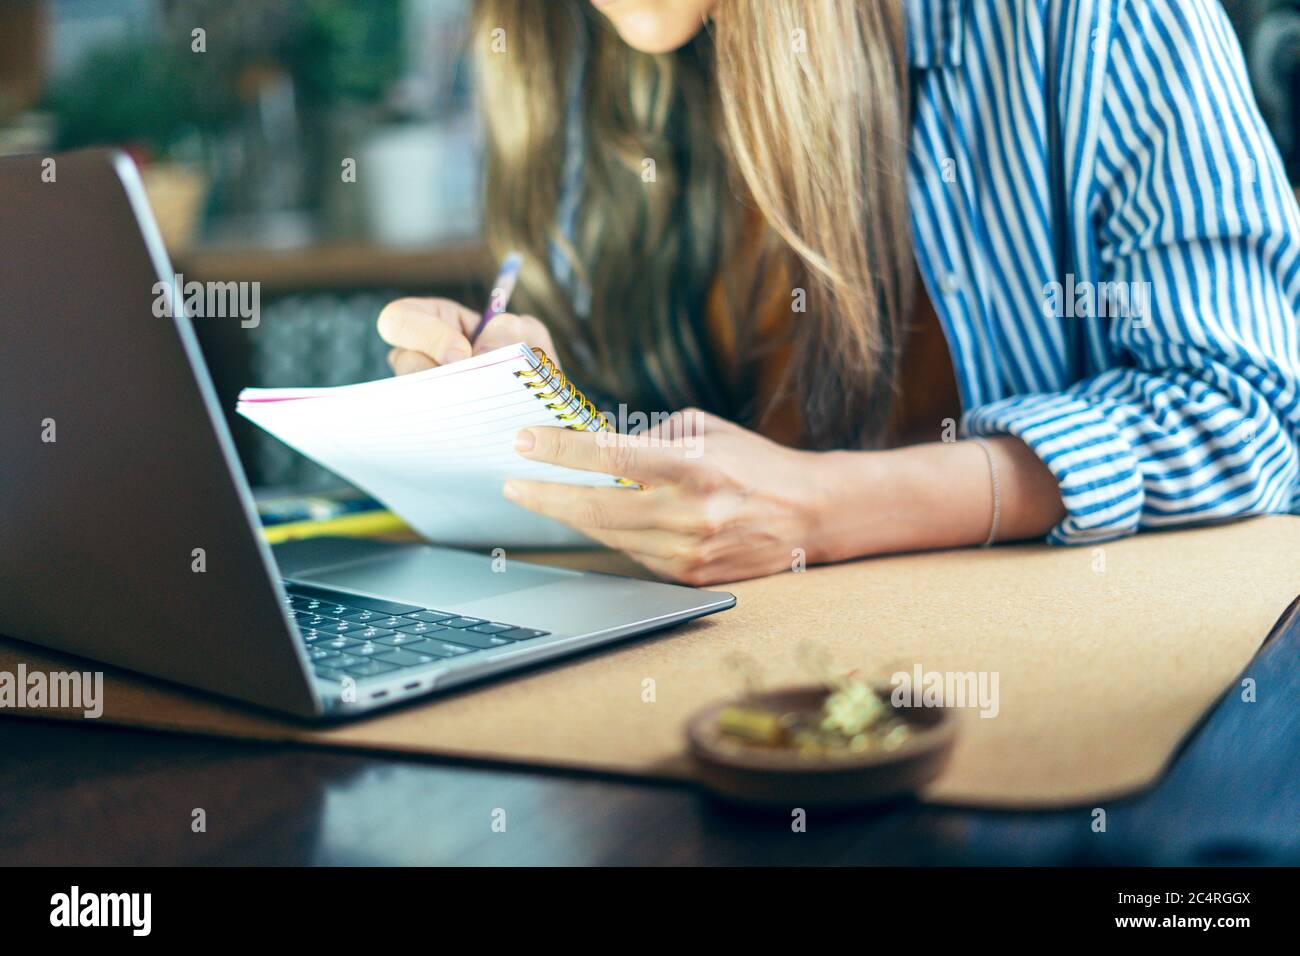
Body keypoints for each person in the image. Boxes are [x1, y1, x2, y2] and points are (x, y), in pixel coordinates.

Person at [377, 0, 1300, 585]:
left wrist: (820, 509)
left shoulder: (1091, 22)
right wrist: (528, 413)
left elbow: (1249, 414)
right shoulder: (594, 60)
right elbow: (692, 466)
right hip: (743, 706)